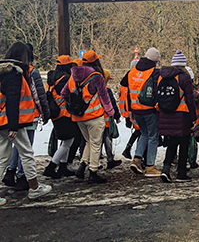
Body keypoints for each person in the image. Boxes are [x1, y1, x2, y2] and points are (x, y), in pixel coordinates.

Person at [0, 42, 52, 204]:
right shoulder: (15, 74)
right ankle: (35, 188)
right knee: (27, 154)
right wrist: (14, 126)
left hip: (2, 120)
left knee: (3, 156)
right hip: (15, 121)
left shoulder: (2, 72)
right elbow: (13, 100)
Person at [61, 50, 114, 184]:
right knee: (96, 143)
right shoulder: (96, 76)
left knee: (89, 141)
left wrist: (75, 104)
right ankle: (93, 172)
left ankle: (82, 166)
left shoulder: (72, 76)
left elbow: (63, 93)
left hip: (79, 117)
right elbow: (104, 97)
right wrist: (111, 112)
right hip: (94, 116)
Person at [121, 48, 162, 177]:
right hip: (150, 110)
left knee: (144, 134)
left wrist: (129, 111)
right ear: (156, 60)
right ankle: (150, 166)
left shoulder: (132, 72)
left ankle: (137, 159)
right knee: (153, 137)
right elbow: (157, 91)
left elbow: (126, 91)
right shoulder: (155, 72)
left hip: (136, 110)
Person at [158, 50, 196, 182]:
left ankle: (166, 169)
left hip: (166, 114)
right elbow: (190, 99)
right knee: (184, 144)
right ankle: (181, 172)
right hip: (182, 115)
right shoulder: (184, 78)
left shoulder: (162, 76)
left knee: (172, 143)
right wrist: (193, 117)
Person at [42, 55, 79, 179]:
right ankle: (51, 167)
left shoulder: (52, 77)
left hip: (55, 112)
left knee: (66, 141)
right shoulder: (65, 79)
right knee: (68, 142)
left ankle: (63, 167)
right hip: (64, 114)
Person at [102, 69, 122, 169]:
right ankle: (110, 159)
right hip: (106, 120)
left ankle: (93, 160)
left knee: (95, 142)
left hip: (94, 118)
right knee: (107, 139)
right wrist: (117, 116)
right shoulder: (107, 90)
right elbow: (112, 104)